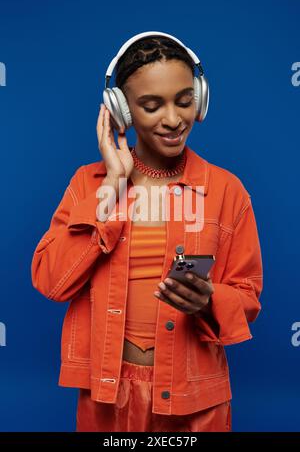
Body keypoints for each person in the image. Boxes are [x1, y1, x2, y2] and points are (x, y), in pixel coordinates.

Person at [31, 32, 263, 432]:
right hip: (108, 394)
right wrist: (112, 187)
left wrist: (209, 300)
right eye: (152, 105)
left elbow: (247, 299)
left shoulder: (228, 191)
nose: (173, 119)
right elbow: (52, 282)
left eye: (185, 100)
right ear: (122, 111)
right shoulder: (90, 184)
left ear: (201, 99)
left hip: (196, 396)